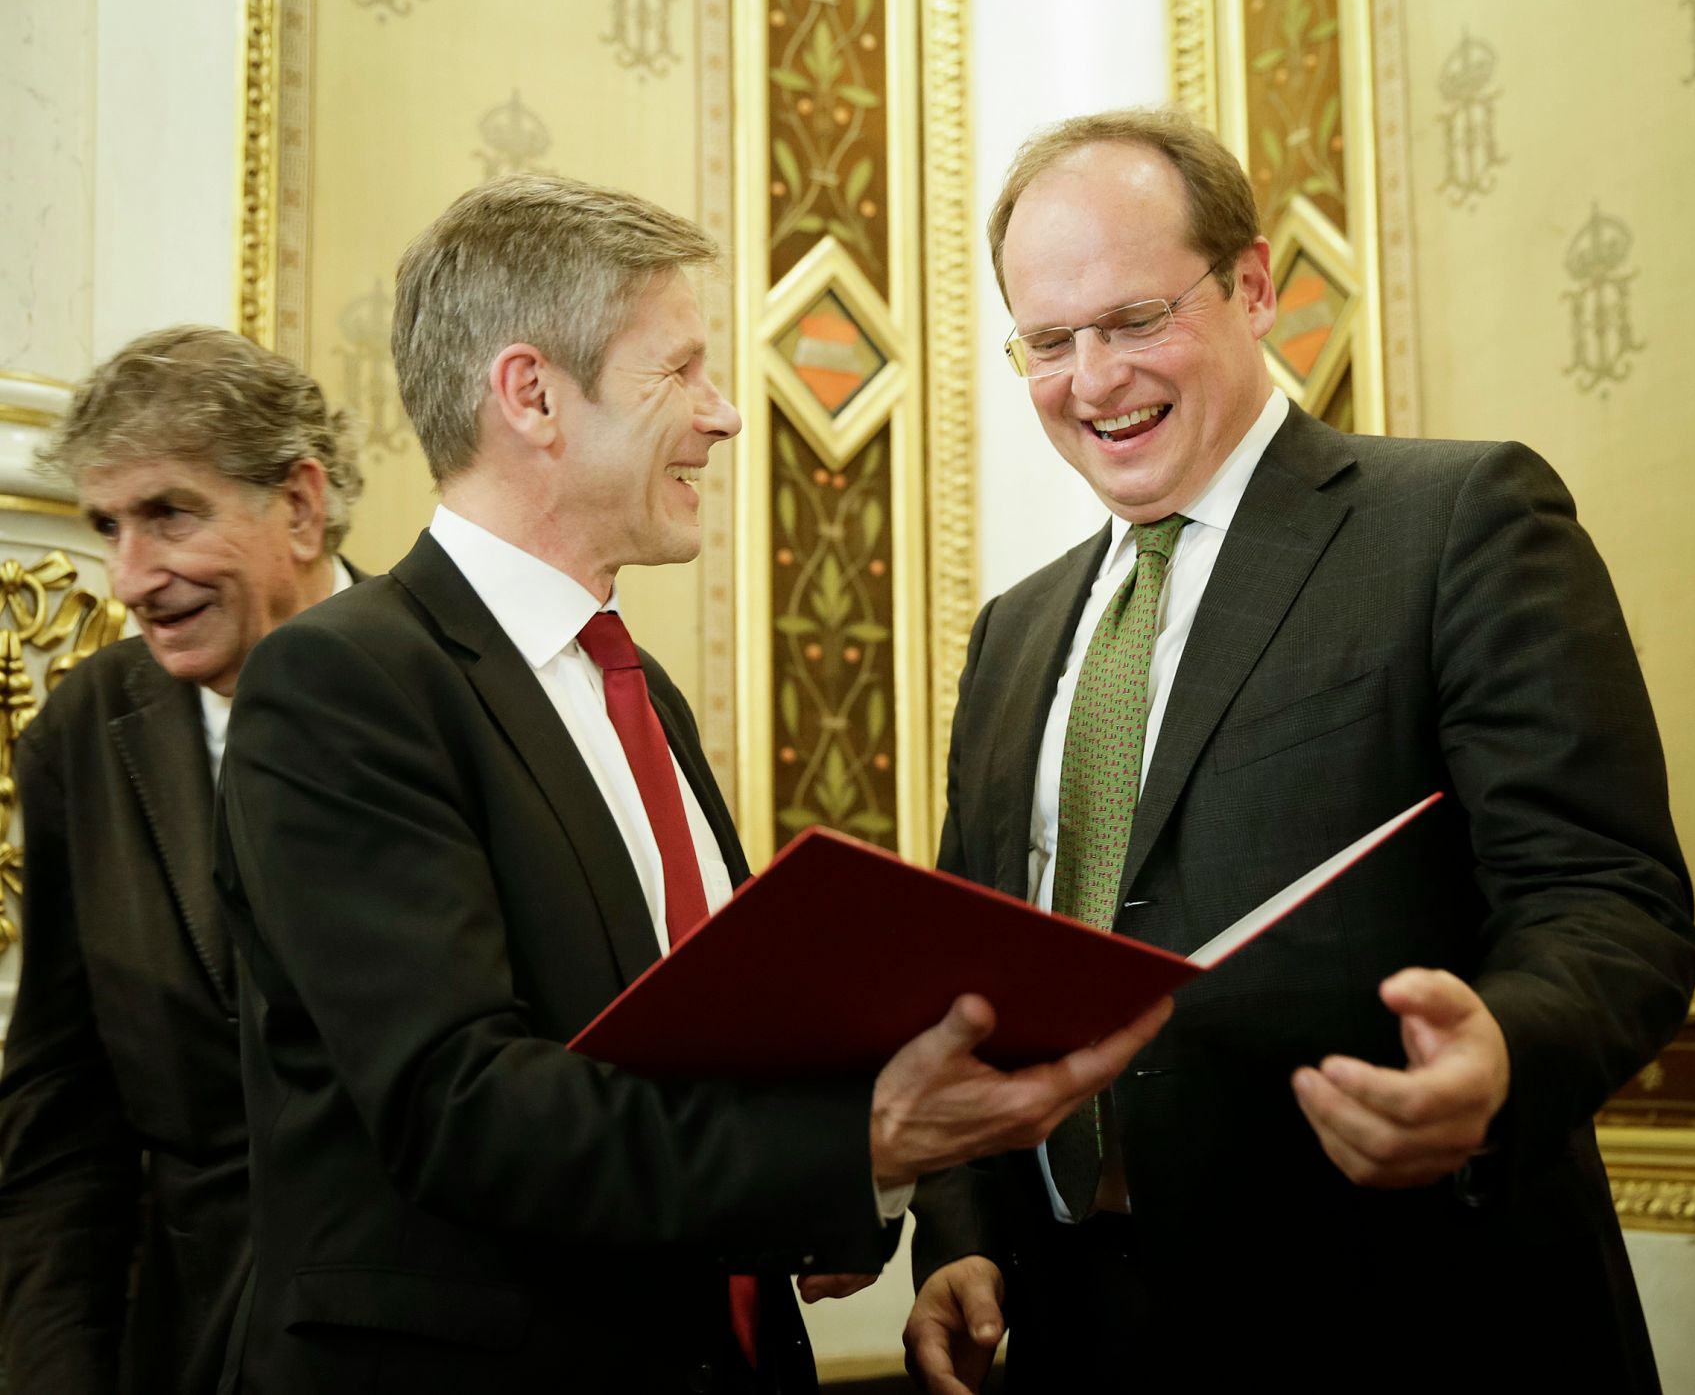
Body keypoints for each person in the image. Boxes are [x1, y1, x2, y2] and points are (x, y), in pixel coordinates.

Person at [211, 173, 1168, 1395]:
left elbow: (691, 1050)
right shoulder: (343, 681)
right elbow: (462, 1102)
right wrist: (847, 1147)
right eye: (679, 372)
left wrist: (842, 1193)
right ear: (531, 394)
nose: (723, 416)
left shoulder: (634, 682)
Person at [901, 109, 1695, 1395]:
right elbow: (977, 989)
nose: (1091, 378)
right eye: (1047, 341)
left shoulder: (1456, 524)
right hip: (1076, 1333)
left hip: (1406, 1317)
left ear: (1254, 286)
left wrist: (1496, 1053)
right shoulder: (1011, 633)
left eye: (1134, 318)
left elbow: (1610, 904)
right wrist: (959, 1233)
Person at [0, 326, 365, 1394]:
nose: (128, 575)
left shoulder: (456, 684)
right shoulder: (86, 727)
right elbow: (62, 1119)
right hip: (192, 1346)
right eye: (106, 525)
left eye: (168, 514)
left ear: (298, 505)